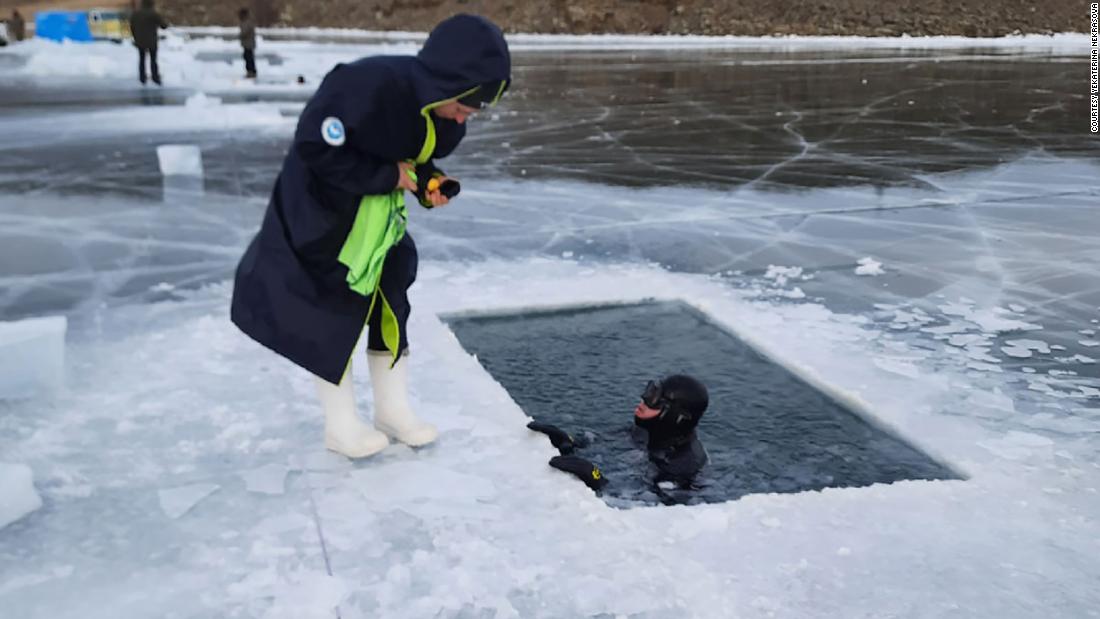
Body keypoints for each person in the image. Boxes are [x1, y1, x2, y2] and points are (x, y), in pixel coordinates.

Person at [231, 15, 511, 459]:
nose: (465, 118)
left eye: (472, 111)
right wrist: (389, 175)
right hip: (325, 216)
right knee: (332, 311)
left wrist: (425, 183)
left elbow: (408, 160)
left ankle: (392, 410)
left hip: (380, 220)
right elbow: (316, 150)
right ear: (446, 83)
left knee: (392, 300)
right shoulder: (365, 88)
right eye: (463, 105)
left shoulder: (443, 116)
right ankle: (340, 425)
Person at [528, 375, 710, 499]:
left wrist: (597, 479)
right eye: (649, 392)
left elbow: (646, 507)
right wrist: (570, 442)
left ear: (677, 416)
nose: (642, 401)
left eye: (654, 400)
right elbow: (602, 441)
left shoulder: (683, 466)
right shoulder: (646, 430)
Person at [130, 0, 168, 85]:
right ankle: (155, 78)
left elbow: (132, 26)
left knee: (142, 59)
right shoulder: (154, 14)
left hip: (140, 40)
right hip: (152, 41)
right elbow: (164, 26)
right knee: (153, 60)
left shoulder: (136, 14)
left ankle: (142, 78)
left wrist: (136, 37)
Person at [238, 7, 257, 79]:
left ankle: (251, 71)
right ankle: (250, 71)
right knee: (247, 57)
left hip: (249, 44)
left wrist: (241, 35)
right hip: (247, 44)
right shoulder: (245, 22)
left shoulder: (248, 22)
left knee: (249, 58)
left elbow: (245, 32)